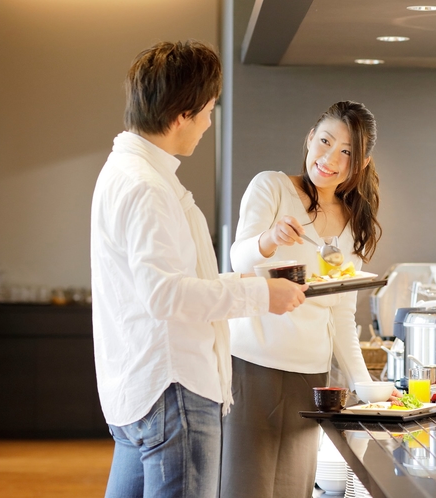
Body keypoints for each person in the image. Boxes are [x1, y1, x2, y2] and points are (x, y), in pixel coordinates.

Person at [90, 40, 309, 498]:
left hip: (140, 389)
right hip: (173, 388)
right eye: (208, 110)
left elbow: (169, 284)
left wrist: (252, 283)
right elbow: (166, 295)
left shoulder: (124, 171)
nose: (209, 123)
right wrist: (260, 297)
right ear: (180, 114)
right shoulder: (147, 186)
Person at [220, 101, 385, 498]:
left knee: (293, 490)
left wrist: (364, 385)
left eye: (346, 151)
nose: (330, 158)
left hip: (310, 374)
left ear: (360, 163)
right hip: (249, 362)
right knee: (243, 487)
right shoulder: (272, 186)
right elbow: (238, 257)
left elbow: (343, 314)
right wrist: (270, 239)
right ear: (310, 139)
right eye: (325, 141)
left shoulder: (353, 223)